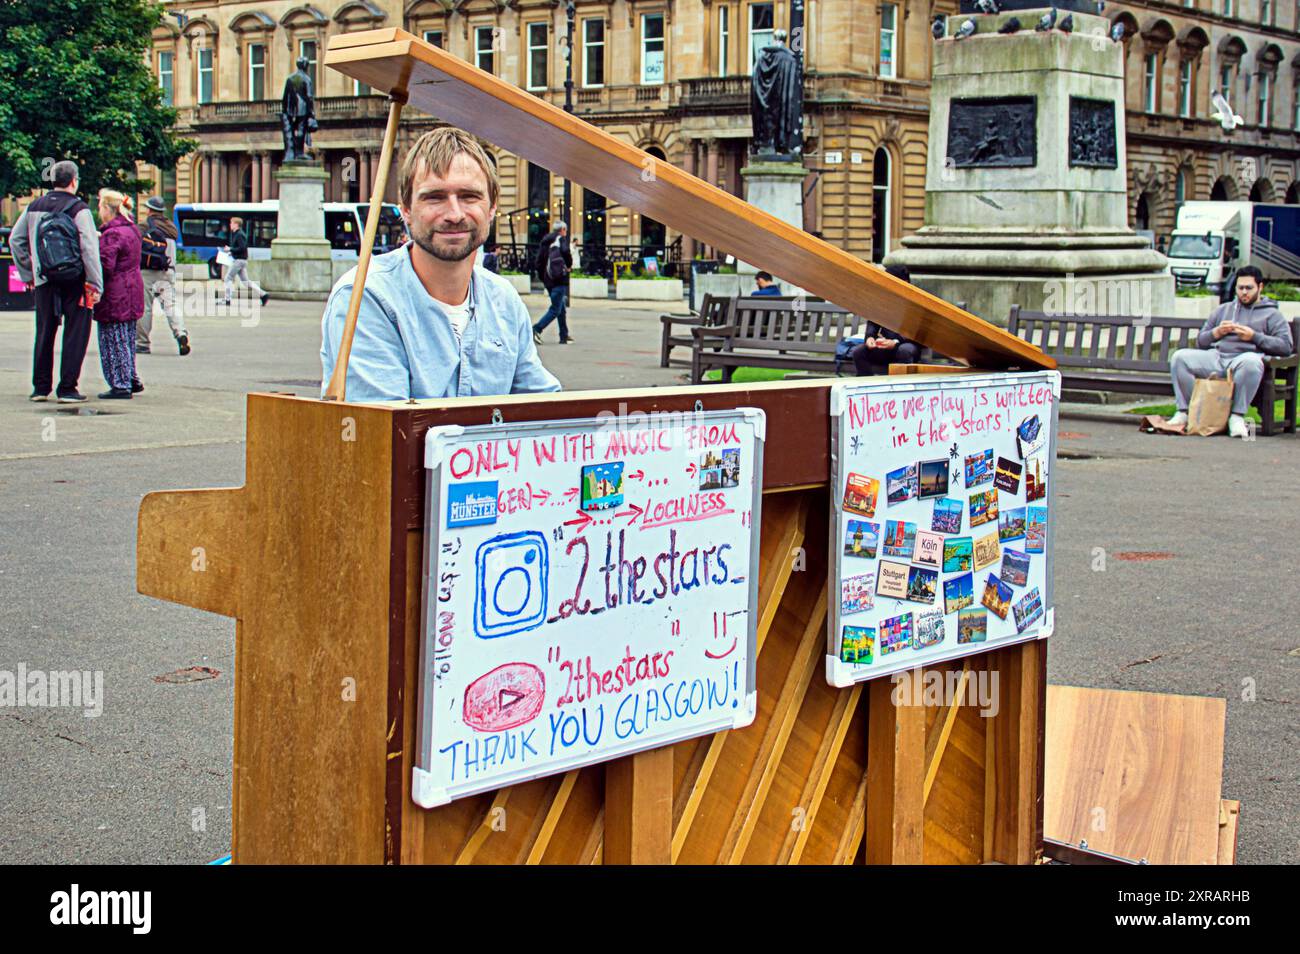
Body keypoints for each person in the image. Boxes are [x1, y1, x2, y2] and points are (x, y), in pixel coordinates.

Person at [320, 126, 560, 401]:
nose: (454, 214)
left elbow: (544, 408)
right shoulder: (365, 297)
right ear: (406, 210)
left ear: (492, 206)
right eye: (434, 197)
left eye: (469, 196)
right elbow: (387, 431)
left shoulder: (504, 300)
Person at [9, 159, 103, 403]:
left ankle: (40, 388)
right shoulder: (79, 208)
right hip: (76, 279)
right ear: (73, 181)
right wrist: (95, 283)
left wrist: (29, 273)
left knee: (45, 330)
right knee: (76, 331)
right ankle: (67, 388)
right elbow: (89, 249)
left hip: (44, 279)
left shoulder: (33, 206)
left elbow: (15, 241)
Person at [1167, 265, 1294, 438]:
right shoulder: (1223, 310)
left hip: (1243, 362)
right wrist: (1216, 333)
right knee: (1180, 357)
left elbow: (1286, 346)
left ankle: (1236, 416)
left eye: (1249, 288)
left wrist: (1254, 337)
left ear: (1260, 287)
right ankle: (1187, 411)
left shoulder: (1272, 314)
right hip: (1217, 357)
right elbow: (1201, 341)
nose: (1244, 292)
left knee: (1251, 361)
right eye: (1240, 288)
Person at [93, 190, 145, 400]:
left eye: (100, 208)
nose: (99, 212)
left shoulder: (112, 234)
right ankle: (131, 377)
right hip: (133, 288)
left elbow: (106, 265)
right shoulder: (132, 229)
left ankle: (120, 383)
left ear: (108, 209)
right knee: (127, 337)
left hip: (116, 292)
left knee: (112, 337)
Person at [137, 196, 189, 356]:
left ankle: (142, 343)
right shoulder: (172, 228)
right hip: (168, 271)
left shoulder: (145, 226)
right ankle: (180, 333)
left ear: (149, 210)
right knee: (170, 305)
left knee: (145, 308)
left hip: (148, 272)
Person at [851, 263, 922, 376]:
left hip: (905, 345)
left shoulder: (916, 301)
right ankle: (866, 385)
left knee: (905, 350)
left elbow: (916, 332)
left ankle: (899, 386)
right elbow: (873, 322)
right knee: (858, 351)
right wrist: (870, 337)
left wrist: (895, 342)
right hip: (884, 345)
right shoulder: (883, 299)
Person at [532, 220, 574, 345]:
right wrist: (569, 265)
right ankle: (537, 329)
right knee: (555, 309)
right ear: (562, 230)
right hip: (558, 279)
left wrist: (543, 278)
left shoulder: (545, 241)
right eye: (565, 230)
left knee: (561, 308)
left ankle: (564, 336)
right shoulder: (560, 240)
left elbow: (538, 262)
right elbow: (566, 252)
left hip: (548, 280)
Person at [221, 217, 269, 306]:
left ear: (236, 224)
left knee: (228, 278)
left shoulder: (239, 234)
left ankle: (227, 299)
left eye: (231, 223)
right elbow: (241, 249)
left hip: (239, 261)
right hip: (241, 260)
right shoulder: (237, 234)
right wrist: (232, 252)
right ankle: (263, 294)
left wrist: (230, 249)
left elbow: (242, 248)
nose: (230, 225)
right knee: (246, 281)